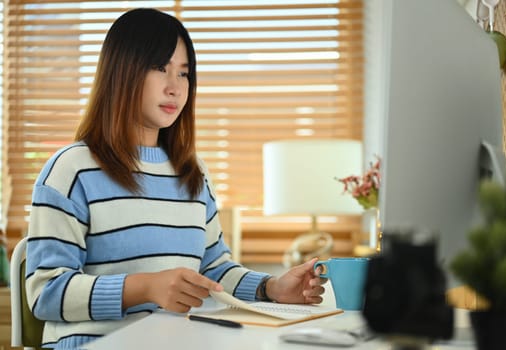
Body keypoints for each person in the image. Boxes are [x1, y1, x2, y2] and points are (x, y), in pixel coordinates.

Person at [25, 8, 326, 349]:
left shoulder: (192, 172)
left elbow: (213, 269)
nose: (174, 87)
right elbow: (45, 293)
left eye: (184, 74)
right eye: (159, 68)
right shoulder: (71, 169)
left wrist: (271, 287)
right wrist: (144, 286)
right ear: (120, 71)